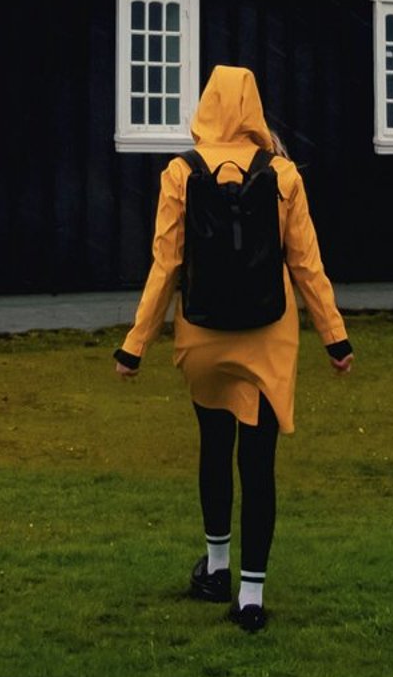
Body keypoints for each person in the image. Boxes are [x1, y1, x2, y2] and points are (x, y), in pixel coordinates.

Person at [114, 64, 352, 632]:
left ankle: (216, 566)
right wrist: (335, 336)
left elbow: (166, 265)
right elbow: (306, 266)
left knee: (214, 446)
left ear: (207, 107)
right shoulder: (285, 175)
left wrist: (134, 344)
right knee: (258, 462)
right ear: (254, 110)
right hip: (268, 337)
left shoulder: (180, 173)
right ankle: (250, 597)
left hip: (203, 336)